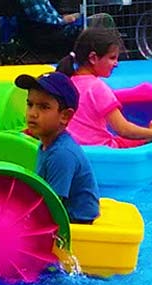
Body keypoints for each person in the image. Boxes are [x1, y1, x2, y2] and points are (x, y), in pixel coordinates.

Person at [55, 27, 152, 148]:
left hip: (73, 147)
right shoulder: (97, 88)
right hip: (102, 152)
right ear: (93, 58)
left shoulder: (67, 82)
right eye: (112, 58)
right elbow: (124, 129)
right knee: (149, 141)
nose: (116, 64)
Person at [14, 71, 100, 224]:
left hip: (77, 221)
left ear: (65, 116)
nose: (33, 113)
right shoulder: (46, 144)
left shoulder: (62, 154)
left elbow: (52, 208)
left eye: (44, 107)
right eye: (30, 104)